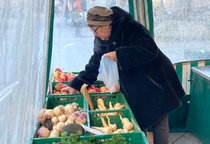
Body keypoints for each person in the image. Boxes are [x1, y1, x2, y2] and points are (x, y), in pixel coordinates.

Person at [62, 6, 185, 144]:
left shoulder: (131, 28)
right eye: (92, 30)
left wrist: (120, 54)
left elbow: (149, 50)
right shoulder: (101, 38)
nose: (94, 34)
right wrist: (77, 84)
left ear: (107, 25)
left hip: (155, 78)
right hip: (136, 83)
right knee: (138, 119)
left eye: (95, 29)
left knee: (159, 120)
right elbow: (96, 61)